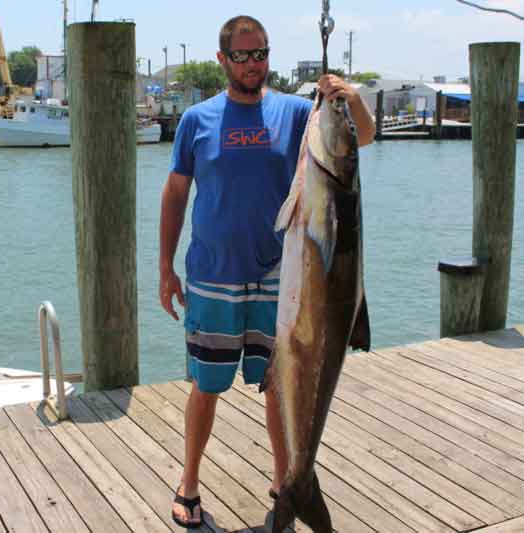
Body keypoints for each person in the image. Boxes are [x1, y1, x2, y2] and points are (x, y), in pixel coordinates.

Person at [158, 15, 375, 528]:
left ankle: (287, 483)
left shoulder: (302, 113)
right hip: (212, 275)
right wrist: (165, 268)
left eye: (261, 54)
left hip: (283, 280)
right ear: (222, 60)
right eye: (243, 56)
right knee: (206, 386)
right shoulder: (197, 120)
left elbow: (360, 137)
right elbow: (175, 193)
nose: (254, 64)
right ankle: (189, 484)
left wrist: (353, 96)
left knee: (281, 385)